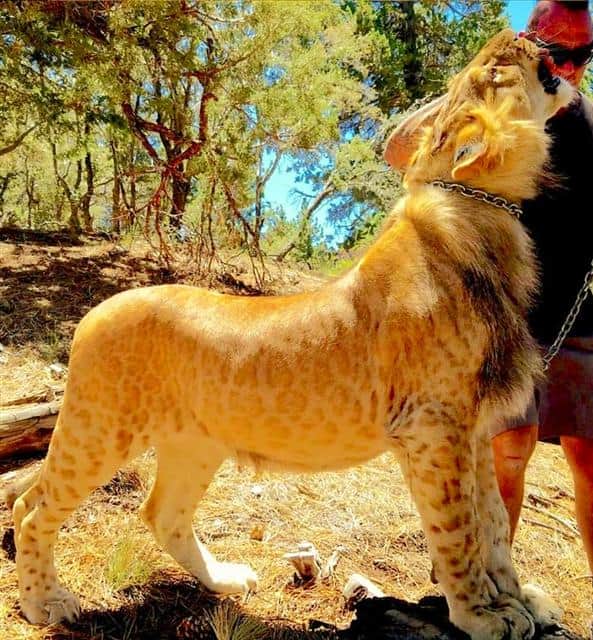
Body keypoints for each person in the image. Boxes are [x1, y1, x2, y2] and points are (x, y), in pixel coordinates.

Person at [384, 0, 593, 587]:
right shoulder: (485, 112)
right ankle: (476, 587)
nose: (571, 70)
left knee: (590, 459)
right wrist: (484, 81)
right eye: (557, 55)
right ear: (530, 46)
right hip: (502, 315)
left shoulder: (588, 123)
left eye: (585, 55)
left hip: (577, 312)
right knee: (506, 451)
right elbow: (399, 151)